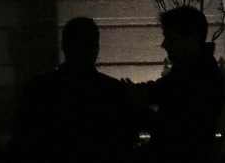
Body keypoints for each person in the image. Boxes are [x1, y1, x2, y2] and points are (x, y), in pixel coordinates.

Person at [12, 15, 140, 163]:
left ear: (64, 47)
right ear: (95, 49)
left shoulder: (38, 89)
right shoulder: (113, 92)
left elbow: (23, 140)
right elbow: (125, 142)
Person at [137, 5, 225, 162]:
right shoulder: (192, 70)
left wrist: (137, 105)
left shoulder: (195, 77)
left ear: (190, 39)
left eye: (170, 38)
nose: (163, 44)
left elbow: (175, 130)